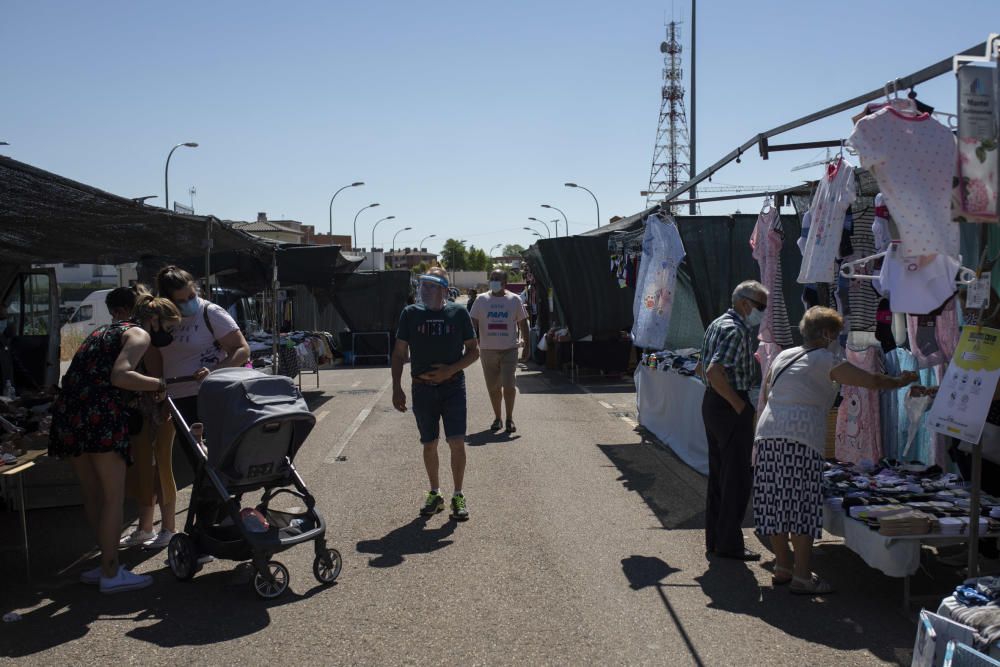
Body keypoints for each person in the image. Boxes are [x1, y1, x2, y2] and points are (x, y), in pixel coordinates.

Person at [753, 306, 917, 594]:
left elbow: (767, 395)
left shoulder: (782, 356)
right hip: (799, 437)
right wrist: (901, 381)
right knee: (801, 506)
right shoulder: (825, 360)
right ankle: (802, 577)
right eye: (837, 334)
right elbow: (872, 381)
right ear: (827, 333)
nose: (837, 340)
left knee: (774, 501)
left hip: (768, 433)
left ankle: (782, 567)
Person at [49, 293, 181, 594]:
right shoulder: (138, 333)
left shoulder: (101, 331)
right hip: (101, 418)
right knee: (112, 496)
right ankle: (110, 573)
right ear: (153, 319)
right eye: (168, 327)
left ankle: (105, 562)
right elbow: (121, 375)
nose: (168, 334)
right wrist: (158, 384)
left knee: (93, 494)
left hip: (70, 414)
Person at [392, 267, 479, 521]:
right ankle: (435, 493)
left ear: (443, 289)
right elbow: (399, 353)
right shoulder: (410, 314)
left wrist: (449, 370)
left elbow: (474, 352)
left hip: (452, 387)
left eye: (431, 285)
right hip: (422, 389)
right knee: (429, 444)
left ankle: (458, 495)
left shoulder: (458, 313)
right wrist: (397, 387)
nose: (425, 290)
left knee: (456, 442)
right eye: (423, 285)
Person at [101, 287, 178, 551]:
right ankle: (145, 528)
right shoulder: (140, 337)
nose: (168, 333)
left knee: (161, 471)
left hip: (157, 412)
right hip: (142, 413)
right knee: (144, 471)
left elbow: (158, 384)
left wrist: (162, 401)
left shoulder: (147, 342)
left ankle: (167, 528)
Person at [700, 280, 768, 562]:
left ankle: (718, 539)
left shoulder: (717, 324)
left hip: (715, 404)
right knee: (737, 479)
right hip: (728, 405)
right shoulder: (734, 330)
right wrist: (739, 405)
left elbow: (702, 366)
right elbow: (715, 371)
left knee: (720, 475)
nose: (762, 313)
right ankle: (729, 543)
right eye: (760, 307)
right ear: (745, 303)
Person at [155, 266, 251, 428]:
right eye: (181, 301)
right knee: (191, 451)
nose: (188, 303)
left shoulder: (211, 312)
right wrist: (164, 398)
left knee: (208, 451)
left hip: (209, 395)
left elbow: (242, 350)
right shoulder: (162, 319)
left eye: (191, 296)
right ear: (169, 301)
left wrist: (213, 372)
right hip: (176, 399)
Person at [468, 269, 530, 433]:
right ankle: (498, 418)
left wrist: (527, 347)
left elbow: (523, 324)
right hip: (488, 351)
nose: (494, 281)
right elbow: (471, 323)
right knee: (493, 388)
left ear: (505, 282)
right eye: (492, 278)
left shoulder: (514, 300)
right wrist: (471, 344)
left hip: (509, 350)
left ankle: (509, 418)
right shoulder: (481, 300)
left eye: (497, 278)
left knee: (509, 386)